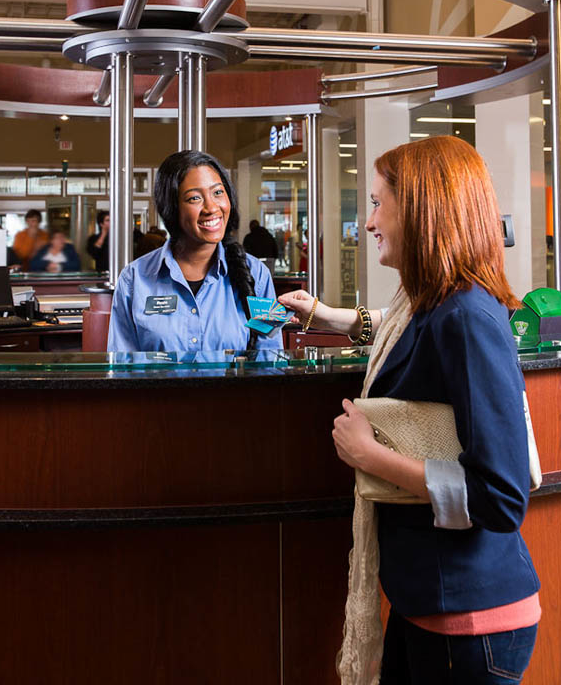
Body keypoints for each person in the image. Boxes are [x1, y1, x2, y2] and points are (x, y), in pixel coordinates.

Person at [279, 136, 539, 685]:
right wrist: (327, 316)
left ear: (420, 208)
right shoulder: (432, 303)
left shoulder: (464, 318)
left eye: (377, 204)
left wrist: (369, 454)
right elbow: (399, 335)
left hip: (469, 619)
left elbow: (501, 494)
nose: (368, 222)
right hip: (432, 604)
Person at [107, 150, 283, 361]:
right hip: (157, 395)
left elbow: (271, 359)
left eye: (218, 192)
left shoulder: (259, 275)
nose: (211, 207)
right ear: (172, 208)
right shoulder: (134, 278)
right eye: (194, 198)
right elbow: (121, 365)